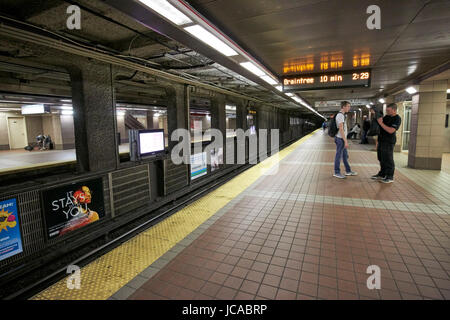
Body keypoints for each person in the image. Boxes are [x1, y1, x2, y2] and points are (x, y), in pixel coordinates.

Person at [371, 103, 402, 183]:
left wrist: (381, 123)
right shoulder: (387, 117)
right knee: (381, 158)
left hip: (389, 141)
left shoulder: (397, 118)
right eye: (386, 110)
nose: (387, 112)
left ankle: (390, 176)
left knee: (388, 159)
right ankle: (382, 174)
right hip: (382, 140)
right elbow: (379, 125)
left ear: (394, 110)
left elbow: (391, 130)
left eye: (388, 110)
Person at [333, 101, 357, 179]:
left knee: (345, 156)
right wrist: (345, 141)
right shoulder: (340, 116)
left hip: (341, 138)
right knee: (338, 156)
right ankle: (336, 172)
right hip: (340, 139)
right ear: (343, 107)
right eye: (348, 106)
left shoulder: (342, 115)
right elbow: (341, 129)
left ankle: (348, 171)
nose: (349, 108)